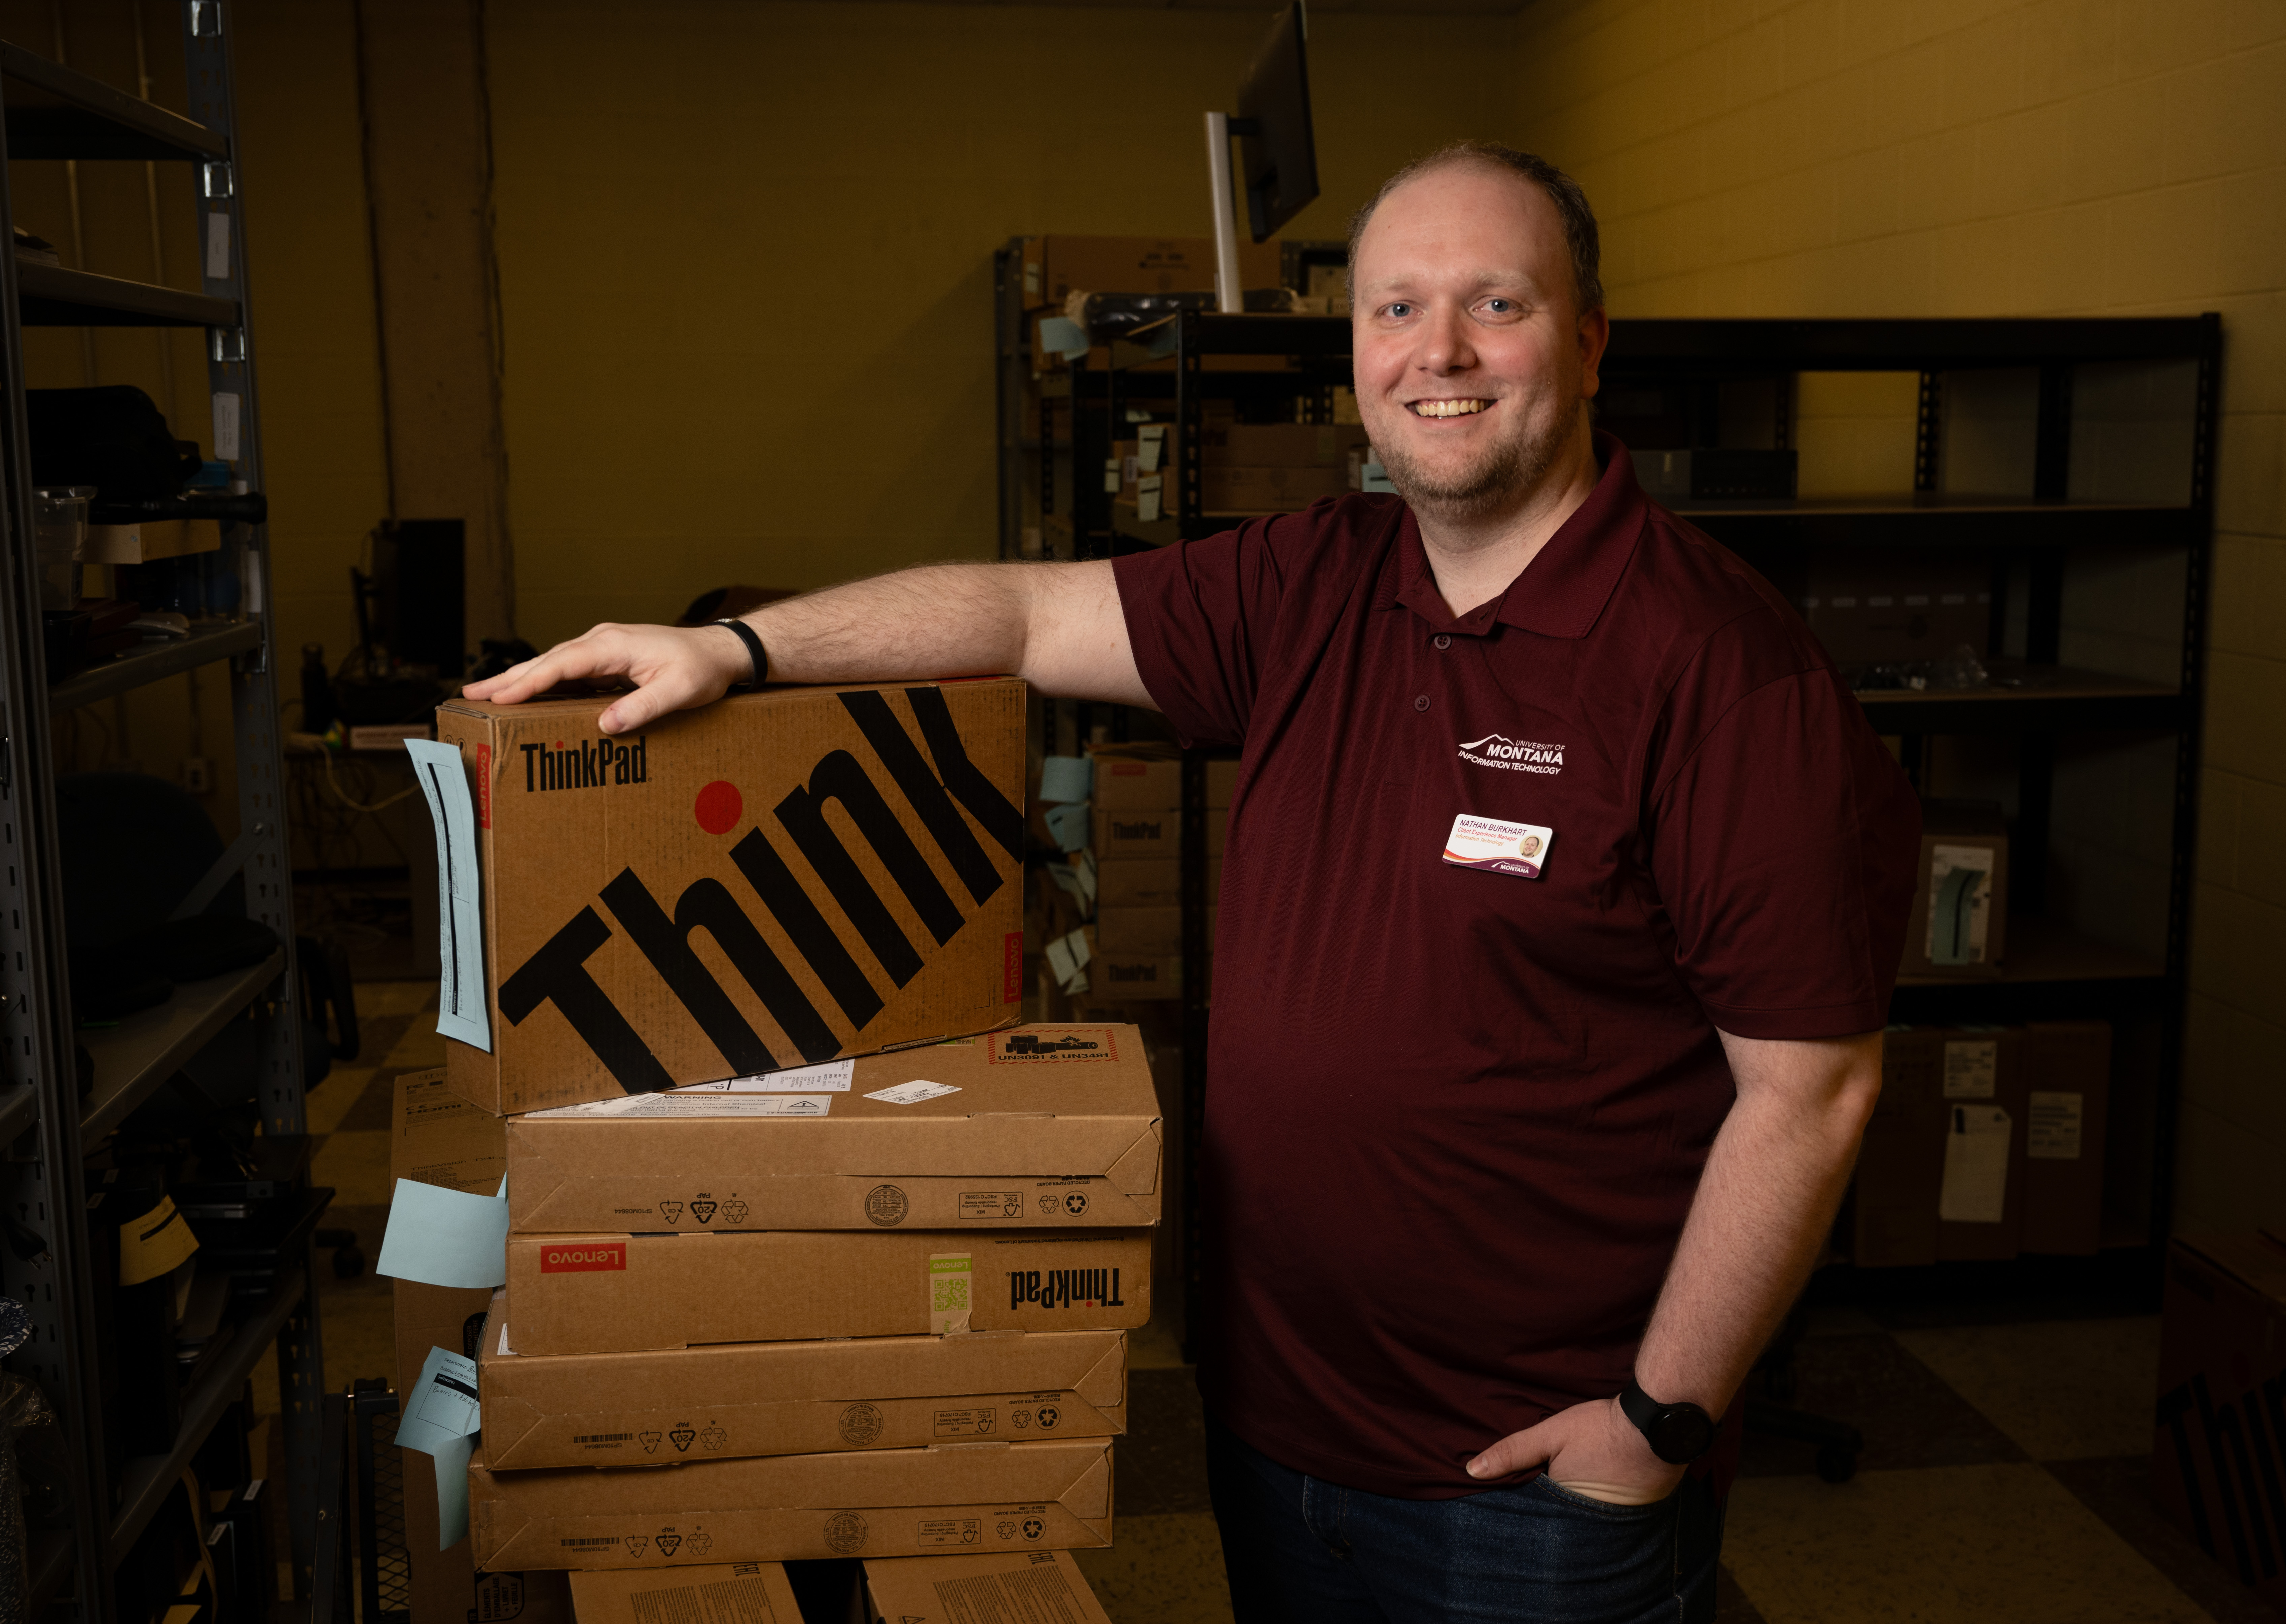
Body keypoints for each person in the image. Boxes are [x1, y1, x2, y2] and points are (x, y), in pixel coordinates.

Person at [465, 142, 1920, 1622]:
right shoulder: (1312, 581)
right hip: (1277, 1432)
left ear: (1591, 337)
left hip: (1533, 1484)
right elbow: (1021, 613)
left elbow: (1810, 1092)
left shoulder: (1721, 673)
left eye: (1496, 303)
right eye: (1394, 310)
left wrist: (1652, 1426)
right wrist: (740, 649)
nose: (1440, 353)